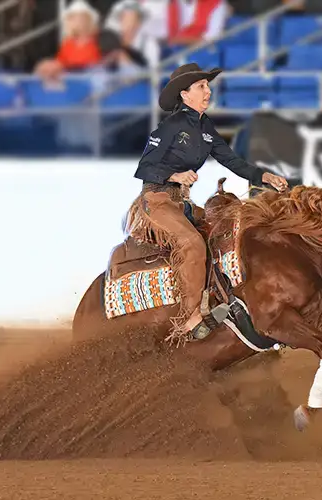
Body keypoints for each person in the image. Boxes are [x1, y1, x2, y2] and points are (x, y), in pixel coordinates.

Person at [125, 62, 290, 342]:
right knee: (191, 243)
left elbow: (232, 160)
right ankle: (189, 320)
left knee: (224, 235)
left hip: (181, 203)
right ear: (185, 95)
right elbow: (145, 168)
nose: (208, 91)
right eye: (201, 86)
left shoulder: (205, 128)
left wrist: (263, 176)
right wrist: (175, 174)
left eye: (208, 86)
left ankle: (219, 302)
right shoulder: (170, 126)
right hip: (157, 199)